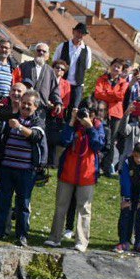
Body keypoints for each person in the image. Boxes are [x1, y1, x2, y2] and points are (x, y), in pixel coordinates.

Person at [0, 93, 46, 245]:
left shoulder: (38, 120)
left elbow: (36, 136)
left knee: (23, 204)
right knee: (3, 202)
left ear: (36, 107)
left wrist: (20, 127)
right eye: (24, 103)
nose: (26, 106)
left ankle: (22, 235)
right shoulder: (10, 117)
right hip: (7, 167)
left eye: (29, 104)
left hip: (26, 170)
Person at [47, 104, 106, 251]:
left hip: (87, 174)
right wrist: (72, 121)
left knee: (84, 208)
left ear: (94, 115)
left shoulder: (98, 126)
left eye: (89, 114)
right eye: (83, 114)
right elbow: (64, 141)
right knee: (61, 206)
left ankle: (81, 241)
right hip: (68, 172)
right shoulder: (73, 125)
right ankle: (55, 237)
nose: (85, 117)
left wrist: (90, 127)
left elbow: (98, 145)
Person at [92, 58, 130, 177]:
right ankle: (96, 165)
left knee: (111, 140)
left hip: (115, 114)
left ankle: (107, 168)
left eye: (119, 67)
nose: (116, 68)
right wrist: (112, 95)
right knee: (99, 137)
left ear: (121, 70)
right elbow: (98, 93)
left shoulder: (124, 82)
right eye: (115, 65)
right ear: (111, 66)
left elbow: (120, 96)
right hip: (102, 112)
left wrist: (107, 93)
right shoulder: (102, 79)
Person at [54, 22, 93, 110]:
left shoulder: (87, 50)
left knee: (74, 109)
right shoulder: (62, 46)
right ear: (73, 32)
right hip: (62, 82)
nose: (80, 35)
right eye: (78, 32)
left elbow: (87, 66)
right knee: (60, 106)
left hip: (77, 85)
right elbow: (55, 62)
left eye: (82, 33)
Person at [19, 43, 60, 114]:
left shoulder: (50, 71)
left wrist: (58, 103)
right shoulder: (24, 66)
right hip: (24, 106)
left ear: (48, 55)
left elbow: (54, 89)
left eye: (44, 51)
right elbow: (17, 83)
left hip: (41, 108)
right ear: (35, 53)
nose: (41, 52)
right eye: (39, 50)